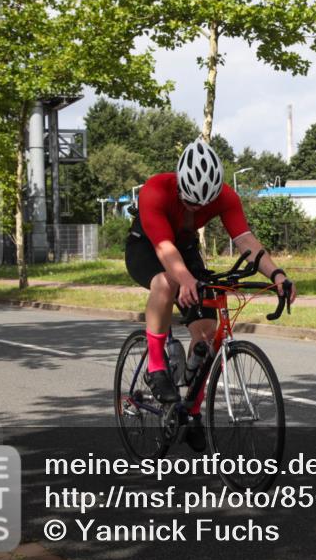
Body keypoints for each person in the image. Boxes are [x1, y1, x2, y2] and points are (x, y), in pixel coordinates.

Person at [125, 139, 296, 449]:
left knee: (205, 332)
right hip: (147, 246)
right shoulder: (155, 189)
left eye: (203, 204)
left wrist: (277, 273)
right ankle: (156, 366)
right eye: (190, 202)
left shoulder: (226, 197)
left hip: (186, 249)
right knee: (167, 283)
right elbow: (164, 248)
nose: (196, 209)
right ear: (179, 185)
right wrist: (184, 278)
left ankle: (190, 409)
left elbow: (246, 240)